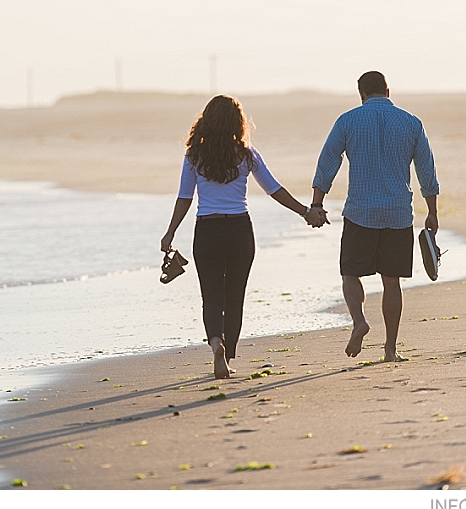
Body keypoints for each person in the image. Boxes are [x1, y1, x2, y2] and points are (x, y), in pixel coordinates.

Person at [161, 95, 317, 379]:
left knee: (211, 297)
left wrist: (170, 232)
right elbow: (274, 190)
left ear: (206, 121)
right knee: (235, 297)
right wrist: (305, 211)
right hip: (239, 231)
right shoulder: (246, 155)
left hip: (207, 230)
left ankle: (216, 344)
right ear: (238, 123)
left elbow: (185, 197)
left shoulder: (195, 156)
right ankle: (228, 356)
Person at [308, 71, 439, 362]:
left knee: (350, 274)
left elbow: (328, 161)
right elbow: (426, 171)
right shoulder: (411, 122)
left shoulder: (348, 120)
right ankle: (390, 349)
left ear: (361, 94)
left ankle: (359, 321)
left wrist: (317, 203)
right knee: (391, 282)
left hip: (360, 212)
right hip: (398, 214)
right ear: (388, 92)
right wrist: (432, 211)